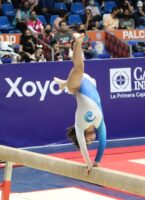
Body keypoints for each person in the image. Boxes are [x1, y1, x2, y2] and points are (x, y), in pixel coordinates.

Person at [54, 34, 106, 174]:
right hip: (89, 83)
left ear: (82, 137)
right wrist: (96, 162)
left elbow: (83, 149)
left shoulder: (79, 124)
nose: (91, 140)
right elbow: (103, 143)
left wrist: (88, 163)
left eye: (88, 141)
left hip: (76, 88)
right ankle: (63, 84)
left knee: (78, 68)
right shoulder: (99, 123)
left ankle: (77, 42)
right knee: (79, 68)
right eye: (91, 142)